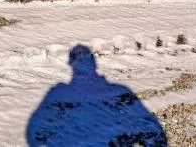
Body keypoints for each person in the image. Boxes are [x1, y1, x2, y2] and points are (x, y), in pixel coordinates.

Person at [26, 45, 166, 146]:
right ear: (93, 64)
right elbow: (150, 129)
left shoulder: (58, 95)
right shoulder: (118, 93)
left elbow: (34, 133)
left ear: (71, 65)